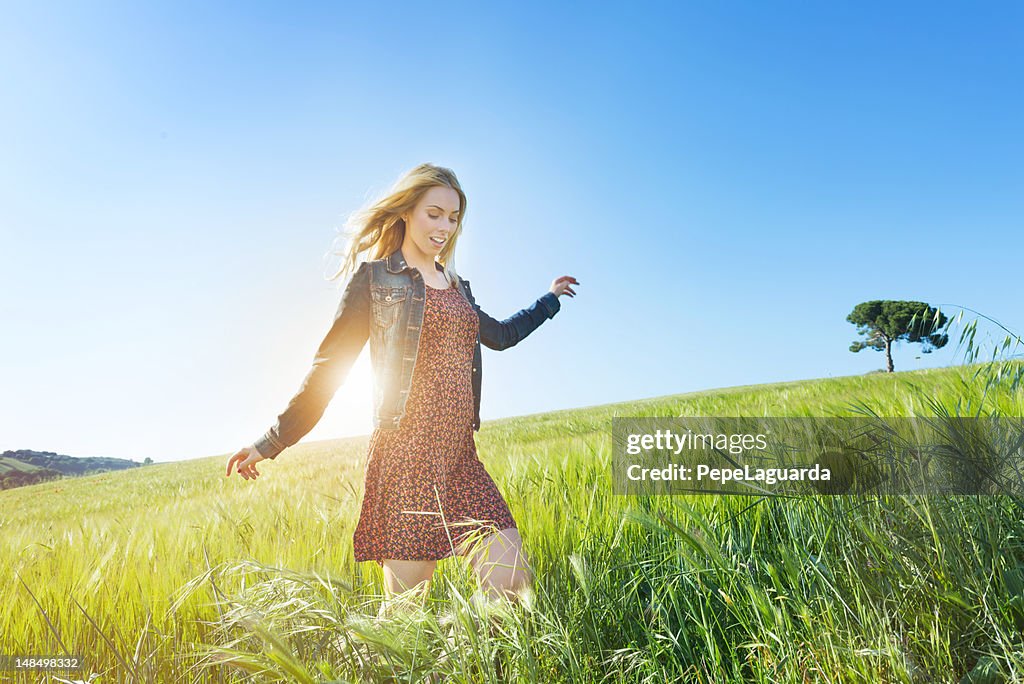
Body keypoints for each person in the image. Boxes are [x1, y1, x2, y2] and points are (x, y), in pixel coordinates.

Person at [226, 163, 578, 616]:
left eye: (453, 218)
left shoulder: (458, 288)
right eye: (434, 214)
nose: (444, 227)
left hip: (460, 459)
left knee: (511, 583)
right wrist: (271, 441)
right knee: (408, 623)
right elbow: (327, 371)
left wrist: (547, 301)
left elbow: (502, 336)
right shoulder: (375, 281)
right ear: (407, 213)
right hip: (406, 459)